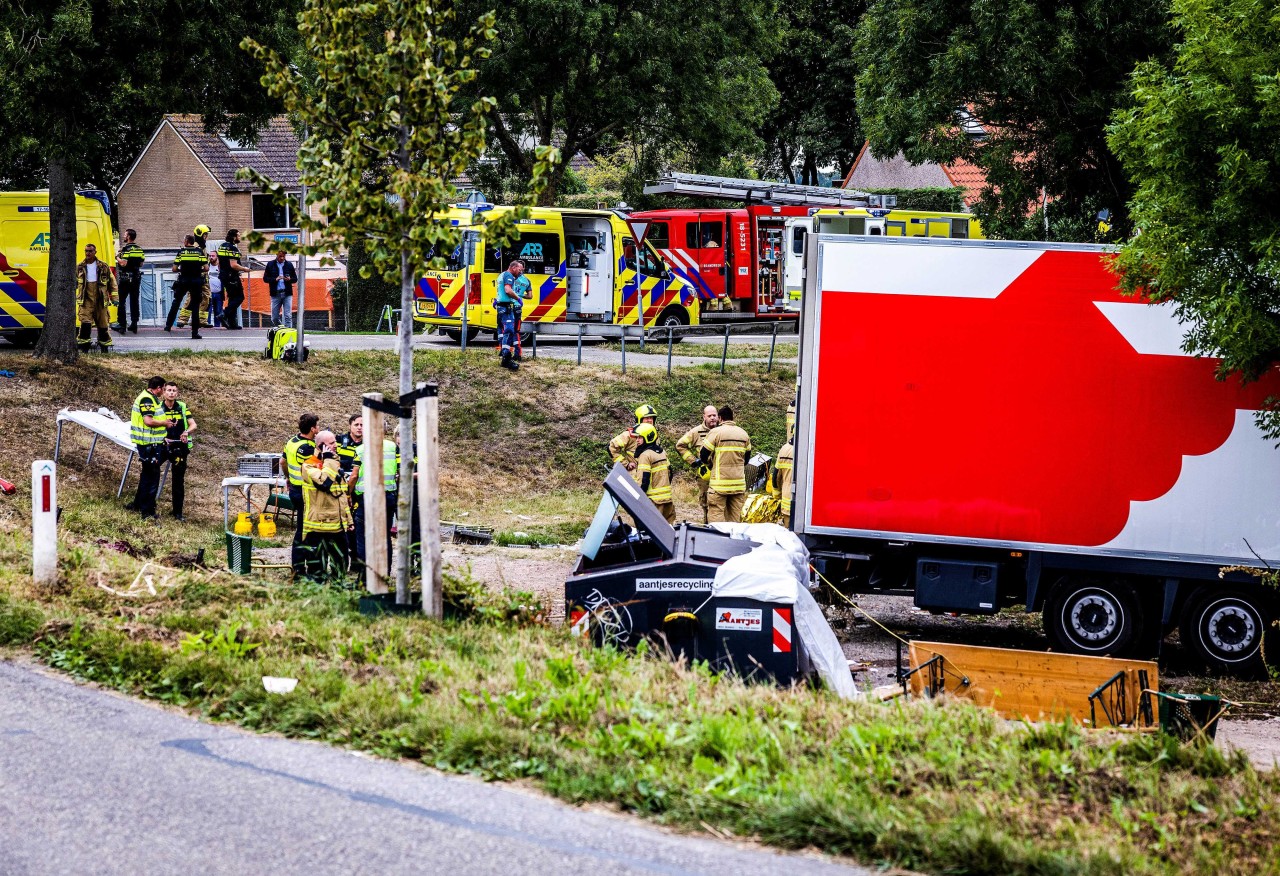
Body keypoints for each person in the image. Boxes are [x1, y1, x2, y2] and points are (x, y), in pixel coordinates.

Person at [298, 430, 351, 580]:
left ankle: (337, 593)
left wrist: (349, 520)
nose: (336, 445)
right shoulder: (309, 466)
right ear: (322, 446)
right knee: (317, 568)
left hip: (337, 525)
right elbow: (325, 483)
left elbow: (341, 495)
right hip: (318, 526)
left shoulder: (333, 463)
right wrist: (328, 460)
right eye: (332, 443)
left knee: (340, 564)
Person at [347, 423, 398, 572]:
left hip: (367, 499)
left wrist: (348, 493)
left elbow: (354, 475)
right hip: (387, 497)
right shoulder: (393, 448)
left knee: (363, 537)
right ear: (386, 431)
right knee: (384, 536)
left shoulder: (361, 449)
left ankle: (365, 575)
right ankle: (385, 572)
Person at [699, 405, 751, 524]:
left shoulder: (716, 432)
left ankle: (718, 541)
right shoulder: (744, 434)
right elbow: (746, 460)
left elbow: (703, 454)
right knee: (736, 520)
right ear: (732, 418)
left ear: (720, 418)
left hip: (719, 485)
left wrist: (710, 464)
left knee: (717, 519)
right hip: (738, 485)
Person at [127, 376, 169, 520]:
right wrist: (165, 423)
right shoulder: (147, 400)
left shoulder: (150, 398)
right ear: (158, 388)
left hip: (150, 443)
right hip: (149, 444)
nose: (163, 392)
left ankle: (138, 504)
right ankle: (148, 511)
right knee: (152, 477)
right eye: (163, 389)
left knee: (146, 475)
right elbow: (148, 421)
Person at [283, 414, 320, 569]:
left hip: (295, 489)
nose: (319, 429)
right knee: (305, 530)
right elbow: (315, 469)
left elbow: (282, 461)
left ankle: (300, 566)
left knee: (302, 528)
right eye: (318, 426)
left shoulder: (292, 441)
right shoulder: (307, 448)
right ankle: (300, 566)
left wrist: (289, 478)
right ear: (312, 429)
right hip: (305, 492)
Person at [159, 380, 197, 522]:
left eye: (174, 391)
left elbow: (193, 424)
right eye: (169, 390)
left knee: (178, 481)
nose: (171, 393)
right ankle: (146, 506)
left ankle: (177, 513)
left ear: (177, 392)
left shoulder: (182, 406)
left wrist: (186, 432)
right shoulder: (159, 407)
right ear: (164, 392)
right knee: (151, 472)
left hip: (180, 448)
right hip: (163, 446)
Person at [676, 405, 719, 523]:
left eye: (714, 415)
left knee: (720, 502)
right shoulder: (696, 432)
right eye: (709, 416)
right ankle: (707, 525)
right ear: (704, 417)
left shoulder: (723, 431)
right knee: (706, 502)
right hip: (705, 474)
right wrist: (693, 461)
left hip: (722, 473)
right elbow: (680, 445)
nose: (712, 418)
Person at [76, 243, 118, 353]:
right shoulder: (80, 267)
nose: (87, 253)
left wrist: (115, 298)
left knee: (103, 324)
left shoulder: (103, 267)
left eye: (90, 251)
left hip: (101, 299)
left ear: (95, 252)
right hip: (86, 300)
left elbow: (112, 283)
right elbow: (73, 284)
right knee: (85, 323)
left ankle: (104, 348)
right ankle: (84, 348)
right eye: (86, 251)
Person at [634, 423, 675, 524]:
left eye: (640, 437)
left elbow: (644, 480)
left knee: (651, 532)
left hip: (654, 502)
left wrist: (638, 498)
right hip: (667, 500)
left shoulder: (645, 455)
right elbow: (670, 473)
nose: (637, 440)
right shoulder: (662, 452)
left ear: (648, 437)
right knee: (668, 530)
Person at [166, 234, 206, 338]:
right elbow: (206, 268)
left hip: (183, 280)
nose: (183, 241)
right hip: (196, 281)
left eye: (184, 240)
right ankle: (194, 332)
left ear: (187, 241)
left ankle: (168, 325)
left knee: (176, 302)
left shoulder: (181, 252)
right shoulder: (199, 252)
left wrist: (181, 270)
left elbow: (174, 269)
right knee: (195, 306)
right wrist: (197, 270)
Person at [494, 259, 529, 371]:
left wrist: (496, 300)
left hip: (502, 305)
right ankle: (506, 356)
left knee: (504, 329)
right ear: (513, 267)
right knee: (509, 330)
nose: (520, 272)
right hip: (506, 307)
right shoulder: (508, 275)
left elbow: (499, 292)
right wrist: (518, 298)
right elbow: (508, 290)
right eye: (519, 269)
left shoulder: (502, 275)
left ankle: (505, 354)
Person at [217, 228, 250, 329]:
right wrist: (245, 269)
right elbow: (234, 265)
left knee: (232, 298)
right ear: (233, 237)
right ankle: (224, 314)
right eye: (238, 236)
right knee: (239, 297)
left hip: (224, 276)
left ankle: (232, 323)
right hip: (232, 277)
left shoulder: (221, 247)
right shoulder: (233, 248)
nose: (239, 237)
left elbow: (219, 263)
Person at [609, 404, 657, 471]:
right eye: (647, 418)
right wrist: (626, 464)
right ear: (639, 419)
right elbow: (611, 446)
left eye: (651, 418)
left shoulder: (653, 435)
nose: (650, 420)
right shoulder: (630, 434)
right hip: (635, 477)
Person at [114, 229, 145, 334]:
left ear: (128, 237)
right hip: (136, 278)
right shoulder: (139, 249)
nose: (124, 236)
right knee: (134, 301)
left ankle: (122, 325)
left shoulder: (126, 249)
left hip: (126, 279)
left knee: (121, 301)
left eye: (125, 234)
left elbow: (123, 264)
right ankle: (134, 324)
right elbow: (141, 264)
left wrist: (117, 257)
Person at [263, 250, 297, 328]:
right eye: (280, 256)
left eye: (283, 256)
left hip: (287, 293)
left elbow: (295, 278)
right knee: (274, 317)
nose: (282, 258)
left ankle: (288, 333)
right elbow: (265, 278)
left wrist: (289, 279)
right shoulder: (270, 264)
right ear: (276, 255)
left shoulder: (289, 264)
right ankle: (281, 328)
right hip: (275, 293)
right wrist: (275, 279)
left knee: (288, 315)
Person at [772, 437, 794, 522]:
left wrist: (777, 495)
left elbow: (776, 476)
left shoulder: (785, 449)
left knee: (788, 531)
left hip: (787, 498)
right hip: (808, 503)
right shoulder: (812, 448)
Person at [206, 252, 224, 329]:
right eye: (210, 256)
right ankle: (208, 325)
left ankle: (217, 327)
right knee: (208, 311)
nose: (211, 257)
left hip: (219, 293)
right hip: (209, 293)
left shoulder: (221, 267)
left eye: (213, 256)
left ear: (217, 257)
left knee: (218, 311)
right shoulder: (207, 266)